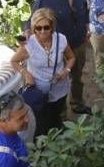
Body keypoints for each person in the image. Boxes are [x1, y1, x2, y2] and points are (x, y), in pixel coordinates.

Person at [35, 0, 91, 114]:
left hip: (79, 44)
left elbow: (86, 10)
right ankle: (62, 114)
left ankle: (77, 103)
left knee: (77, 78)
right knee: (59, 82)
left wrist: (87, 26)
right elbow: (35, 20)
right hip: (59, 49)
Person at [11, 8, 76, 137]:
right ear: (33, 28)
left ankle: (59, 132)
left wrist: (66, 70)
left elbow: (71, 57)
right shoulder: (29, 44)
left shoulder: (61, 40)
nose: (42, 31)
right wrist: (26, 73)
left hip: (59, 87)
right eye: (37, 28)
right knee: (42, 118)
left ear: (52, 27)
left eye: (46, 27)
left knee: (58, 113)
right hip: (39, 91)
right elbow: (13, 61)